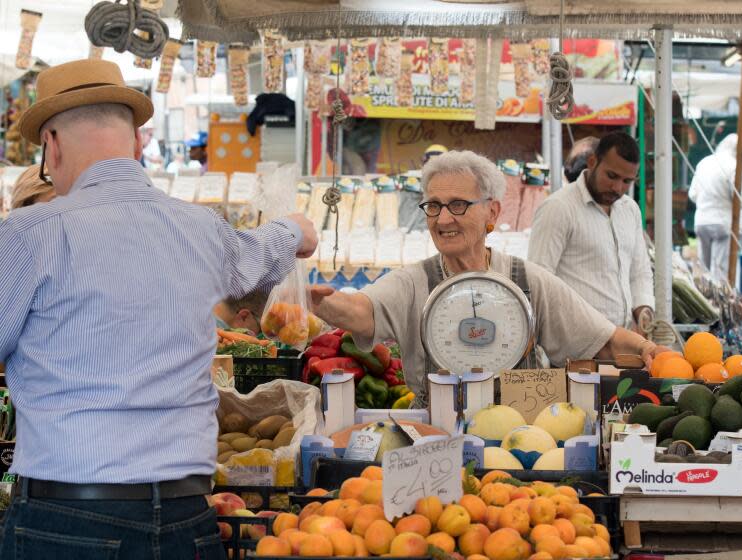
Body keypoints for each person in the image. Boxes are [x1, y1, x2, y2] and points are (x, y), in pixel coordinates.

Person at [0, 59, 317, 559]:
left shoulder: (28, 235)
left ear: (52, 146)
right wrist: (297, 229)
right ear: (136, 142)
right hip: (185, 518)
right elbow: (258, 254)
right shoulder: (200, 228)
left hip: (65, 520)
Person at [310, 150, 670, 406]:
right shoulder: (413, 282)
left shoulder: (527, 279)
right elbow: (360, 311)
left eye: (458, 205)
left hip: (521, 441)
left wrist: (645, 349)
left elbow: (598, 340)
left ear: (492, 212)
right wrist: (315, 301)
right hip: (436, 438)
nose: (443, 219)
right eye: (433, 206)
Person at [528, 131, 654, 332]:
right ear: (593, 162)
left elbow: (639, 271)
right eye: (611, 176)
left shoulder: (630, 210)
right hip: (575, 344)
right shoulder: (558, 207)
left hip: (622, 341)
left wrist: (644, 310)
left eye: (627, 181)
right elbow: (538, 281)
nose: (617, 187)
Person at [688, 134, 742, 282]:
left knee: (704, 271)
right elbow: (740, 200)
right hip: (724, 223)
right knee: (721, 273)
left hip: (702, 221)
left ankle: (704, 301)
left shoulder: (704, 163)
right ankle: (718, 304)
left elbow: (692, 194)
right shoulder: (735, 166)